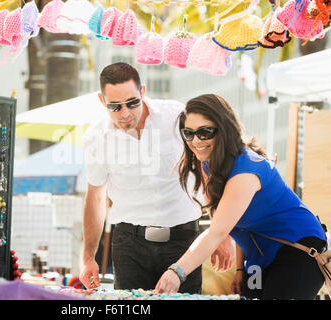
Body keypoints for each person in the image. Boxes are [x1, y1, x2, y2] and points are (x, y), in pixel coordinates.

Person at [79, 63, 235, 293]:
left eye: (132, 103)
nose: (125, 113)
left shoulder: (176, 117)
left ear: (142, 92)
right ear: (102, 101)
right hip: (129, 245)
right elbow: (95, 198)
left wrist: (220, 232)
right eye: (115, 106)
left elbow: (205, 171)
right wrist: (88, 258)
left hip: (184, 241)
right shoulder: (96, 137)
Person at [155, 94, 327, 300]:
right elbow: (232, 223)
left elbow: (217, 231)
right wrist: (239, 270)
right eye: (188, 133)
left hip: (299, 251)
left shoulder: (246, 170)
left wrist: (177, 271)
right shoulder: (207, 164)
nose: (196, 141)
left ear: (224, 129)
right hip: (257, 260)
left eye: (205, 132)